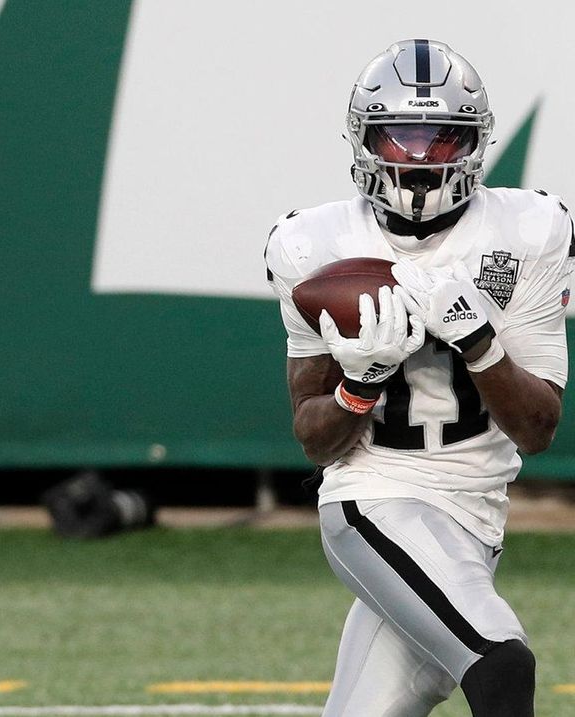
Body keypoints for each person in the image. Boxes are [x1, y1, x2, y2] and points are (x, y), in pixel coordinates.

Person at [265, 40, 571, 717]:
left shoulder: (529, 231)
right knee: (499, 659)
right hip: (373, 500)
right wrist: (361, 382)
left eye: (440, 137)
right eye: (400, 135)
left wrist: (479, 340)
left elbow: (538, 428)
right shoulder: (313, 247)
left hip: (476, 512)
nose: (419, 155)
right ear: (365, 138)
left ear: (473, 141)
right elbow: (314, 440)